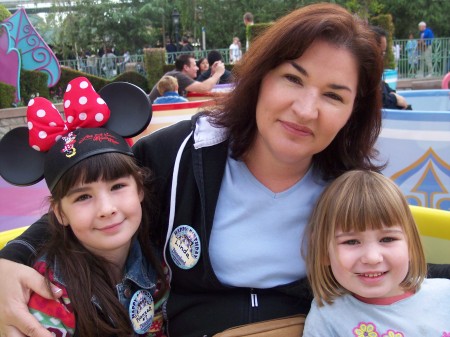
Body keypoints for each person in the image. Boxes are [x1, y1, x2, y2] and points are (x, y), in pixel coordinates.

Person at [1, 4, 449, 337]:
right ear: (259, 79)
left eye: (334, 95)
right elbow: (89, 195)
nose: (306, 109)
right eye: (292, 79)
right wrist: (10, 261)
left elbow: (404, 269)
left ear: (354, 110)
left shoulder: (350, 186)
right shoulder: (179, 154)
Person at [0, 77, 168, 336]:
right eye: (82, 197)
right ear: (59, 213)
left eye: (117, 187)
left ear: (140, 189)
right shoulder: (52, 294)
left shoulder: (160, 259)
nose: (106, 208)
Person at [303, 170, 450, 336]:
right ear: (323, 252)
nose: (372, 258)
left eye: (387, 239)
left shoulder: (446, 296)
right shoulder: (327, 317)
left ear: (411, 246)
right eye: (351, 241)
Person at [148, 54, 225, 102]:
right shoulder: (177, 76)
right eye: (194, 65)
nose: (197, 68)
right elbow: (204, 88)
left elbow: (202, 88)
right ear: (186, 67)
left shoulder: (179, 76)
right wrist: (218, 73)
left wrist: (213, 74)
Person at [372, 26, 410, 110]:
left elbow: (384, 89)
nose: (382, 58)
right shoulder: (361, 75)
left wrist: (394, 96)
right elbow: (373, 100)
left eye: (383, 53)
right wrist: (394, 99)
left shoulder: (376, 76)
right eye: (380, 53)